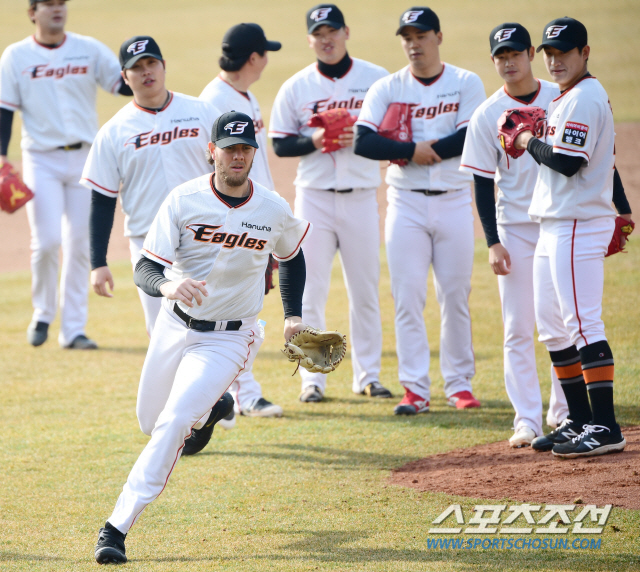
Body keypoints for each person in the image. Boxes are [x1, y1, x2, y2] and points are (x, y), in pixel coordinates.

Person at [93, 111, 311, 564]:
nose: (237, 156)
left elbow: (291, 255)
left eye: (245, 149)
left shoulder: (272, 208)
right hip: (174, 325)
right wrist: (168, 285)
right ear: (211, 151)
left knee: (172, 424)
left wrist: (293, 315)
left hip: (229, 338)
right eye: (228, 148)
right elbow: (146, 267)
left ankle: (115, 527)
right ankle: (214, 409)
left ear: (254, 153)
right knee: (150, 423)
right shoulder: (183, 199)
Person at [354, 7, 485, 414]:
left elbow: (471, 136)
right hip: (406, 204)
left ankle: (459, 385)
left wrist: (426, 152)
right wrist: (411, 151)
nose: (414, 44)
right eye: (407, 37)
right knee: (407, 296)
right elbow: (363, 141)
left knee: (455, 295)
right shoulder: (387, 87)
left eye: (421, 36)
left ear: (438, 37)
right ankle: (415, 389)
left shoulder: (465, 82)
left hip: (454, 200)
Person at [513, 18, 631, 457]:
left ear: (585, 53)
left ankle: (605, 426)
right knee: (552, 327)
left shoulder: (583, 97)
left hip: (578, 222)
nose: (554, 59)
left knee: (582, 323)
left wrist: (526, 139)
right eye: (549, 52)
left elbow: (566, 162)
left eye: (564, 51)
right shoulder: (568, 97)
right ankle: (578, 419)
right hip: (555, 223)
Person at [269, 3, 391, 403]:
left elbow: (392, 132)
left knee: (365, 289)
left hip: (360, 196)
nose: (326, 39)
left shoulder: (376, 80)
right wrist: (314, 142)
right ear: (309, 39)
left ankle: (368, 375)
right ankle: (313, 380)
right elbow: (281, 143)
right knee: (310, 289)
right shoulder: (297, 86)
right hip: (314, 199)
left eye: (332, 31)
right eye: (318, 33)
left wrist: (365, 138)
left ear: (346, 32)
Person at [460, 23, 568, 447]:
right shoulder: (488, 113)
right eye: (500, 56)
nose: (508, 62)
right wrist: (492, 241)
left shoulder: (561, 98)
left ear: (530, 54)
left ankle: (564, 412)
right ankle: (527, 418)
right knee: (517, 327)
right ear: (494, 61)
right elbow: (483, 182)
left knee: (560, 323)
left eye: (515, 53)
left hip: (559, 223)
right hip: (516, 230)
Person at [0, 0, 132, 349]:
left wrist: (145, 74)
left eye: (61, 3)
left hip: (85, 158)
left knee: (79, 245)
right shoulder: (15, 56)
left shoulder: (87, 49)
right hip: (40, 159)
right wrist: (1, 158)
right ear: (32, 12)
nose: (57, 9)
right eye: (48, 4)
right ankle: (43, 312)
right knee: (45, 242)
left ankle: (73, 329)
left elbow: (122, 83)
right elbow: (4, 110)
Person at [199, 23, 285, 418]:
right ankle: (241, 396)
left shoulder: (244, 96)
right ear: (254, 58)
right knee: (232, 312)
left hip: (256, 215)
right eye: (264, 52)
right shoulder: (214, 101)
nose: (267, 58)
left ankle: (230, 398)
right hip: (233, 220)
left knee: (245, 309)